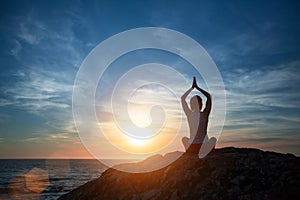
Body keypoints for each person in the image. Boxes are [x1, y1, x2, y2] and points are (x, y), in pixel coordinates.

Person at [181, 77, 216, 156]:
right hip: (204, 147)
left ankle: (189, 153)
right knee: (213, 139)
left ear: (191, 105)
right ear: (201, 104)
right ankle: (209, 152)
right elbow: (209, 97)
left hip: (192, 148)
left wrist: (191, 88)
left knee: (184, 139)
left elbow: (183, 98)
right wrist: (198, 88)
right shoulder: (205, 114)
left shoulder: (189, 115)